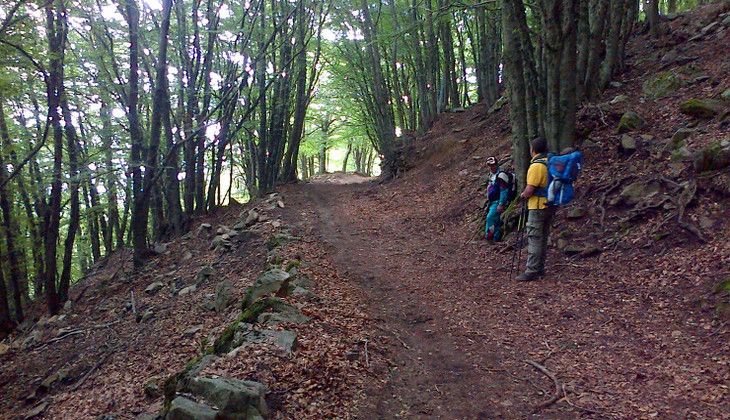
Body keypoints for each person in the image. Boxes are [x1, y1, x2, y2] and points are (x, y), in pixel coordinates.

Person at [516, 137, 553, 281]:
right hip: (550, 204)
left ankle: (531, 270)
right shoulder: (549, 162)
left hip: (537, 205)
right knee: (543, 237)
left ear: (533, 149)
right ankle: (540, 268)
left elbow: (530, 189)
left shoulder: (536, 166)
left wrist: (523, 195)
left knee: (534, 238)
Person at [484, 156, 510, 242]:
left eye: (493, 165)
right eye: (489, 165)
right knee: (495, 220)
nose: (491, 167)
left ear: (496, 164)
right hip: (492, 202)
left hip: (498, 202)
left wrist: (501, 203)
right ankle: (495, 237)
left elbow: (504, 190)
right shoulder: (491, 175)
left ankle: (491, 238)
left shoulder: (501, 175)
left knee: (490, 218)